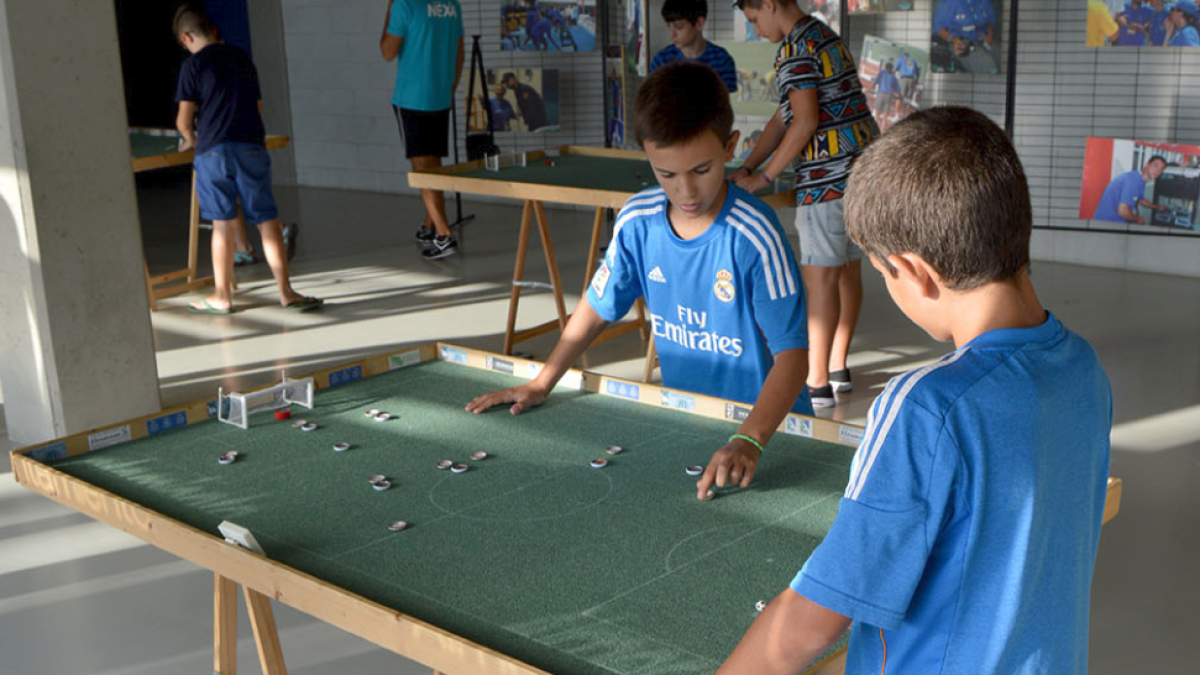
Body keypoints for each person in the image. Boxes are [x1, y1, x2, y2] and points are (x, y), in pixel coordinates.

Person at [714, 106, 1114, 675]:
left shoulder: (927, 407)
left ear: (915, 271)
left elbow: (812, 621)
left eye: (883, 274)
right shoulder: (1084, 369)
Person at [466, 62, 812, 501]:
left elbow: (794, 357)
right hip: (687, 419)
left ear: (730, 148)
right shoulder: (637, 220)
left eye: (701, 170)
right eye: (666, 174)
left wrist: (751, 439)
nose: (685, 191)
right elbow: (595, 308)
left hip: (772, 433)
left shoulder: (753, 234)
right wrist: (542, 381)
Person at [731, 0, 879, 408]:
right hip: (862, 173)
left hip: (827, 180)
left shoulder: (794, 49)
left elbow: (805, 120)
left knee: (820, 279)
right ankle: (836, 367)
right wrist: (748, 164)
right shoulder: (824, 36)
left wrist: (762, 178)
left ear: (769, 4)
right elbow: (784, 118)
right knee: (848, 271)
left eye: (754, 19)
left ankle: (815, 383)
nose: (757, 29)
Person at [173, 6, 320, 314]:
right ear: (213, 29)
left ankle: (222, 296)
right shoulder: (241, 58)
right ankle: (286, 291)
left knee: (222, 224)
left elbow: (184, 121)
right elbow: (259, 106)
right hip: (251, 146)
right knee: (267, 220)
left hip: (213, 151)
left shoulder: (192, 65)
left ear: (187, 37)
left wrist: (190, 138)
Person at [381, 0, 464, 259]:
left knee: (421, 169)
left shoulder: (404, 5)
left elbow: (387, 51)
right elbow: (459, 50)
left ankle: (443, 235)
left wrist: (389, 9)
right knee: (434, 165)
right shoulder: (451, 4)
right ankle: (429, 226)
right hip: (440, 94)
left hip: (412, 98)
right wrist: (451, 85)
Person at [649, 0, 739, 93]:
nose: (672, 34)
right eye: (669, 26)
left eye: (679, 26)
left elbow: (725, 104)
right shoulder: (661, 61)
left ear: (699, 24)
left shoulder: (722, 60)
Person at [1092, 155, 1169, 224]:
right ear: (1147, 164)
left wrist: (1157, 207)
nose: (1158, 171)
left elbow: (1141, 199)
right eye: (1155, 166)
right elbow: (1123, 211)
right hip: (1107, 223)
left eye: (1161, 169)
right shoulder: (1133, 180)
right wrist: (1138, 218)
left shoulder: (1140, 179)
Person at [932, 0, 996, 57]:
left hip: (980, 38)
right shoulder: (948, 1)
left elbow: (990, 19)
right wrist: (953, 39)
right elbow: (939, 28)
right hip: (957, 39)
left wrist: (990, 34)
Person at [869, 62, 900, 127]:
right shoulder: (893, 77)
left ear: (885, 67)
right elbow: (898, 89)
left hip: (881, 94)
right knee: (884, 118)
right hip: (889, 96)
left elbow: (875, 82)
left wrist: (871, 81)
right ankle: (882, 133)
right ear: (891, 69)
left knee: (876, 116)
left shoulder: (882, 72)